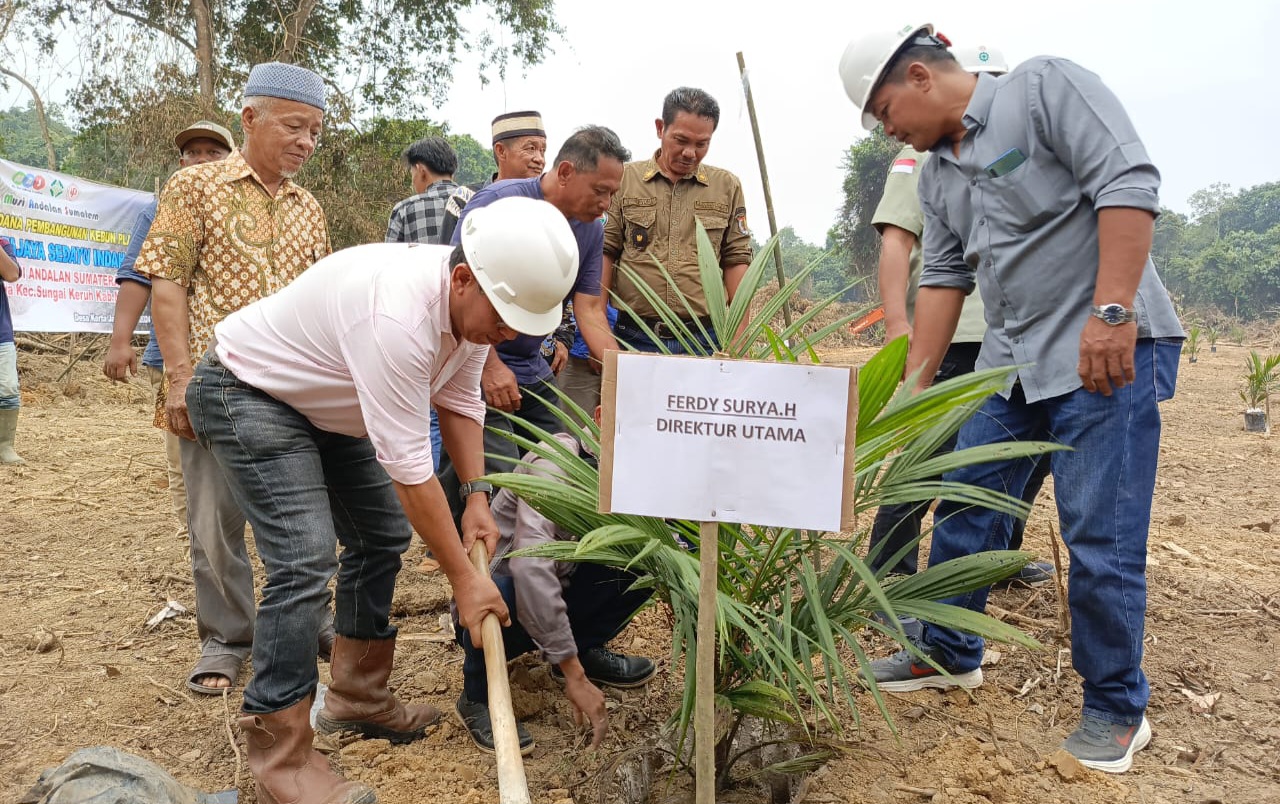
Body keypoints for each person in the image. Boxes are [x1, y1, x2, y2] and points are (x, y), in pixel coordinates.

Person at [840, 23, 1184, 773]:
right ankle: (949, 652)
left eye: (884, 110)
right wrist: (914, 389)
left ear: (921, 76)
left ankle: (1118, 707)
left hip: (1105, 352)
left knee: (1099, 539)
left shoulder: (1043, 89)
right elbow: (945, 278)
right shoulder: (935, 175)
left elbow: (1128, 185)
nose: (887, 129)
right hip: (1013, 365)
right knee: (967, 505)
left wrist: (1114, 312)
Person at [186, 196, 578, 804]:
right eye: (503, 321)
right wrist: (464, 580)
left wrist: (476, 497)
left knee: (381, 534)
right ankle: (280, 754)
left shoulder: (472, 308)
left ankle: (355, 700)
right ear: (463, 278)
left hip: (326, 405)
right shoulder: (396, 317)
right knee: (304, 557)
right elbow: (410, 468)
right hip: (250, 391)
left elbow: (460, 400)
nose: (506, 336)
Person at [138, 62, 333, 696]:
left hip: (292, 394)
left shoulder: (310, 209)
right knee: (214, 517)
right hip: (214, 388)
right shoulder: (194, 188)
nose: (306, 142)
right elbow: (166, 282)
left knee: (296, 515)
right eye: (295, 126)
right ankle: (225, 636)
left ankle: (306, 618)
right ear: (249, 119)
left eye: (316, 131)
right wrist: (177, 379)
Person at [863, 45, 1053, 598]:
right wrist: (900, 326)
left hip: (1013, 334)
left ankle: (994, 560)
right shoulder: (922, 156)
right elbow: (898, 242)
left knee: (1015, 456)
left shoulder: (1025, 138)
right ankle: (885, 570)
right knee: (928, 455)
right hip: (954, 334)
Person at [437, 126, 627, 524]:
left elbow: (589, 309)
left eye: (612, 194)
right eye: (600, 191)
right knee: (497, 478)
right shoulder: (499, 204)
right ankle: (480, 575)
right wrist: (488, 366)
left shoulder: (590, 229)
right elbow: (454, 288)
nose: (606, 204)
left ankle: (530, 570)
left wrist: (626, 376)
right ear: (566, 172)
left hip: (530, 365)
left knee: (561, 460)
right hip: (477, 358)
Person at [454, 410, 655, 755]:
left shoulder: (628, 477)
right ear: (601, 417)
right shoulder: (557, 462)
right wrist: (572, 672)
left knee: (647, 560)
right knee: (500, 591)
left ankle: (582, 648)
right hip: (499, 603)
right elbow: (532, 566)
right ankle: (476, 694)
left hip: (560, 587)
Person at [103, 120, 235, 539]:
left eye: (212, 153)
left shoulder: (245, 206)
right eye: (193, 153)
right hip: (175, 357)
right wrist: (120, 342)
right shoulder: (157, 208)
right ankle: (196, 542)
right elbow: (138, 276)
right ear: (180, 161)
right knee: (186, 458)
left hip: (239, 354)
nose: (201, 161)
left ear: (232, 160)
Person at [601, 87, 754, 357]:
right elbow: (604, 251)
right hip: (634, 337)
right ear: (661, 128)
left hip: (706, 340)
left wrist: (737, 343)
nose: (690, 153)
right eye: (681, 140)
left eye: (701, 144)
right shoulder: (624, 180)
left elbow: (736, 260)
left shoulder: (727, 187)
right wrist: (601, 338)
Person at [438, 110, 548, 244]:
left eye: (543, 151)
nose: (540, 159)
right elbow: (447, 256)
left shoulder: (546, 204)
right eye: (531, 148)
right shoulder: (464, 198)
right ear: (501, 151)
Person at [386, 135, 462, 245]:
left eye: (412, 173)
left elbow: (390, 258)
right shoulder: (476, 201)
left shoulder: (405, 210)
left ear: (421, 171)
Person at [0, 236, 23, 465]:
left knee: (8, 388)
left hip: (1, 334)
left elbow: (12, 274)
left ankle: (5, 446)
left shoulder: (3, 243)